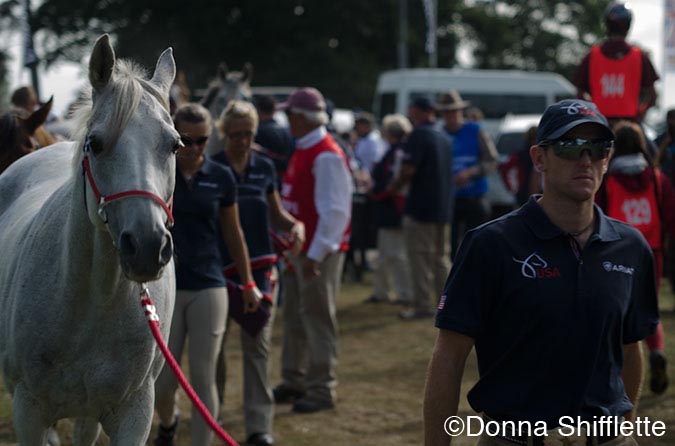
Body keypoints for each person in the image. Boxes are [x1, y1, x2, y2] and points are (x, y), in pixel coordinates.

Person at [424, 99, 659, 446]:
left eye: (597, 148)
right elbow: (450, 355)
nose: (585, 160)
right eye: (569, 146)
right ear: (539, 158)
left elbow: (629, 347)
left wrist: (623, 430)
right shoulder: (491, 244)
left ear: (607, 159)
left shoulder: (630, 246)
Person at [153, 103, 262, 446]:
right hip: (164, 286)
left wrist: (247, 283)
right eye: (186, 140)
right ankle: (169, 423)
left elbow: (234, 233)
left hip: (209, 284)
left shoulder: (220, 176)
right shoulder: (157, 170)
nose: (195, 148)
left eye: (202, 141)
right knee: (162, 383)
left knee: (203, 378)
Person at [211, 100, 305, 446]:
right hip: (219, 270)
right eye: (235, 134)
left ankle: (259, 427)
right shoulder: (213, 168)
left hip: (262, 270)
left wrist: (295, 226)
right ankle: (212, 415)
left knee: (258, 347)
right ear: (223, 134)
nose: (242, 141)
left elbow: (277, 213)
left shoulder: (264, 166)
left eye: (248, 134)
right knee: (215, 351)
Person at [272, 87, 353, 413]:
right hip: (303, 250)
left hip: (317, 252)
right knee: (294, 316)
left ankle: (321, 388)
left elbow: (336, 213)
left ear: (303, 118)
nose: (287, 120)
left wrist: (315, 256)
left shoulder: (325, 153)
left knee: (317, 319)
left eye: (290, 114)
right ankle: (295, 378)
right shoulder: (307, 147)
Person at [596, 120, 675, 395]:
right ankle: (656, 350)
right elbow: (669, 215)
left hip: (614, 250)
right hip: (651, 251)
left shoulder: (607, 179)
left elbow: (599, 213)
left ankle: (618, 369)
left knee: (617, 309)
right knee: (649, 308)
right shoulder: (656, 178)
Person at [388, 96, 453, 320]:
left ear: (416, 110)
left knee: (419, 258)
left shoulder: (419, 134)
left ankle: (423, 305)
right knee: (440, 259)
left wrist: (393, 188)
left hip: (421, 206)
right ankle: (446, 303)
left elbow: (408, 169)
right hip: (443, 206)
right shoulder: (443, 135)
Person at [574, 2, 658, 123]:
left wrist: (592, 111)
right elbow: (652, 96)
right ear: (628, 26)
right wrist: (639, 113)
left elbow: (579, 94)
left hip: (599, 123)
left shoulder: (592, 55)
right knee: (657, 142)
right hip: (630, 122)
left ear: (607, 25)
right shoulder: (639, 56)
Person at [438, 90, 498, 260]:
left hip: (475, 196)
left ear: (461, 111)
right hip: (449, 198)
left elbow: (491, 160)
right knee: (450, 245)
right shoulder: (439, 134)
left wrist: (471, 172)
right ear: (442, 113)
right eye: (447, 111)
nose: (451, 115)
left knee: (478, 242)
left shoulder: (475, 130)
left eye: (454, 110)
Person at [365, 113, 413, 305]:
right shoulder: (395, 150)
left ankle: (404, 292)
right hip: (389, 206)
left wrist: (378, 192)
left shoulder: (398, 152)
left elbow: (394, 181)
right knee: (385, 252)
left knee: (396, 253)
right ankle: (382, 291)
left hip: (394, 206)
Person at [254, 94, 295, 183]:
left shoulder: (258, 132)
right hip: (287, 179)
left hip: (268, 181)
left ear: (258, 110)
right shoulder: (287, 131)